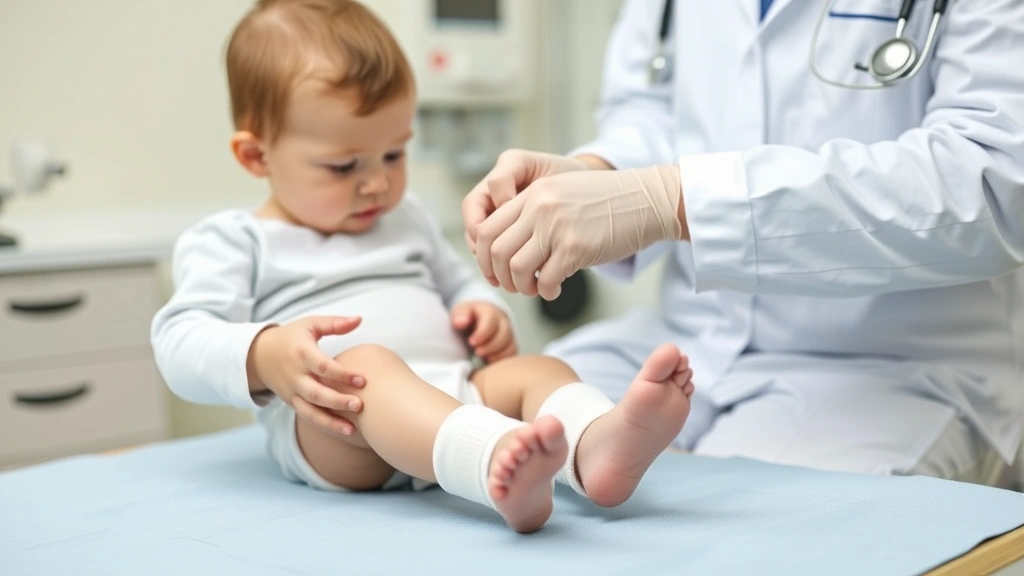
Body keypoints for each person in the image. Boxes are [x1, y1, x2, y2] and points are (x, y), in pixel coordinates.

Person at [150, 0, 695, 534]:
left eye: (394, 155)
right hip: (337, 427)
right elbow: (179, 340)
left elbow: (455, 278)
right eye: (344, 165)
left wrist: (477, 307)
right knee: (370, 365)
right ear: (256, 156)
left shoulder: (404, 218)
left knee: (538, 370)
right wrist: (263, 355)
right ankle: (492, 462)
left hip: (453, 393)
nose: (377, 183)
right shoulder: (235, 239)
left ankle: (596, 447)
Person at [463, 0, 1024, 484]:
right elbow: (655, 106)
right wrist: (596, 173)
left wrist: (674, 200)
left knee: (743, 534)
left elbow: (991, 180)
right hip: (689, 338)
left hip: (892, 367)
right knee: (470, 436)